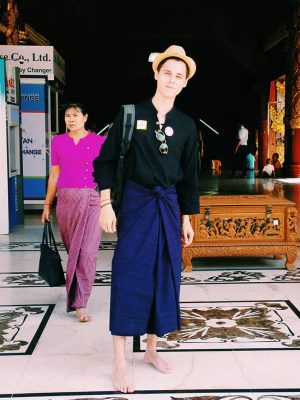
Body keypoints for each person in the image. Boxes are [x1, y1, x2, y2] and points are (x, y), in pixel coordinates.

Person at [93, 45, 199, 393]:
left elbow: (189, 177)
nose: (172, 79)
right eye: (167, 73)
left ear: (184, 84)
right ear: (155, 74)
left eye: (178, 76)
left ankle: (151, 349)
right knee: (129, 272)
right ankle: (120, 360)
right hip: (137, 203)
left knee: (163, 274)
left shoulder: (186, 125)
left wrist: (187, 218)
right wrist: (106, 203)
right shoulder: (130, 114)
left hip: (168, 207)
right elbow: (105, 161)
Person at [41, 102, 106, 322]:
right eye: (68, 116)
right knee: (73, 252)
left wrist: (108, 203)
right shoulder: (58, 142)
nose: (71, 119)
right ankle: (78, 295)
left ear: (85, 117)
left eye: (75, 115)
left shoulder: (99, 142)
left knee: (87, 252)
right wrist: (47, 204)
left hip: (92, 199)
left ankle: (81, 303)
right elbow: (54, 175)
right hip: (66, 201)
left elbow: (110, 173)